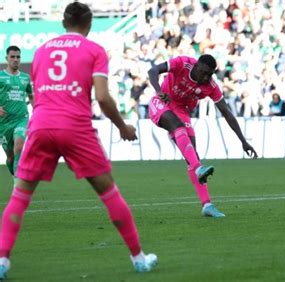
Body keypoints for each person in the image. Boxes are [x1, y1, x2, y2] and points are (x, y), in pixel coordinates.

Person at [0, 2, 157, 279]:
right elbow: (103, 97)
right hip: (75, 127)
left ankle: (2, 260)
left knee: (20, 196)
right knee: (109, 193)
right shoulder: (94, 50)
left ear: (63, 22)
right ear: (88, 24)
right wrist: (122, 126)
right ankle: (139, 258)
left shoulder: (41, 51)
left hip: (41, 125)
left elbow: (40, 95)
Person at [148, 54, 258, 218]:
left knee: (193, 157)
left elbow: (226, 113)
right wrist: (158, 90)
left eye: (210, 74)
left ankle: (207, 205)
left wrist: (243, 141)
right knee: (179, 130)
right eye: (204, 73)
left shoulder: (211, 86)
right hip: (162, 100)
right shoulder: (182, 63)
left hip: (181, 110)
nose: (206, 77)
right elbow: (153, 70)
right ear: (196, 66)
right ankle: (199, 169)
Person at [0, 46, 33, 176]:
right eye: (12, 57)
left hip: (22, 118)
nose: (15, 59)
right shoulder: (1, 76)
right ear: (6, 59)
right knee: (10, 157)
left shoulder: (25, 77)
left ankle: (18, 183)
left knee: (19, 146)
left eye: (18, 57)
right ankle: (15, 175)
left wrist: (38, 112)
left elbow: (31, 96)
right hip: (4, 122)